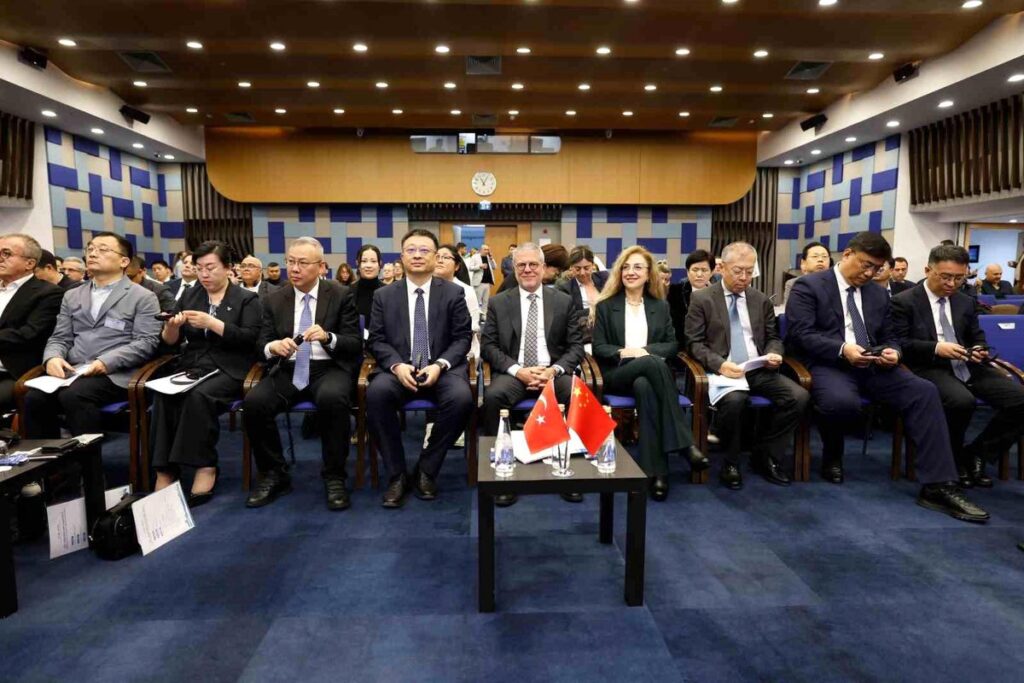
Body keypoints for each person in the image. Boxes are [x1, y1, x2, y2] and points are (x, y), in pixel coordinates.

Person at [784, 231, 988, 523]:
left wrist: (894, 352)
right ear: (847, 254)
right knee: (841, 402)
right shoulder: (810, 286)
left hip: (874, 363)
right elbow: (801, 334)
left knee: (924, 391)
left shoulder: (878, 293)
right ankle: (832, 453)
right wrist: (843, 349)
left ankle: (938, 484)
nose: (869, 273)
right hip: (830, 362)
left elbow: (891, 336)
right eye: (865, 265)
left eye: (877, 268)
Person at [242, 237, 361, 510]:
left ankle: (334, 476)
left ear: (321, 266)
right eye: (291, 262)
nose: (294, 269)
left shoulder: (340, 294)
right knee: (255, 403)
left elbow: (355, 344)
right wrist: (273, 347)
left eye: (303, 263)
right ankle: (274, 473)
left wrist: (329, 337)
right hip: (289, 368)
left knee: (333, 399)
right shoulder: (274, 299)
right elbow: (260, 345)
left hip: (328, 367)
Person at [891, 244, 1024, 489]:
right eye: (945, 277)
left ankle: (977, 454)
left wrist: (979, 348)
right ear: (928, 270)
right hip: (928, 366)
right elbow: (899, 343)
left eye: (959, 278)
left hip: (967, 364)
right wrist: (935, 348)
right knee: (961, 401)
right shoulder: (903, 301)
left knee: (1020, 400)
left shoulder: (965, 301)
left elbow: (977, 336)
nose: (952, 284)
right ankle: (951, 462)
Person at [685, 242, 808, 489]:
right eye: (738, 271)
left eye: (749, 272)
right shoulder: (702, 299)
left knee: (799, 396)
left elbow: (773, 337)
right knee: (735, 401)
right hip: (723, 371)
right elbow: (693, 343)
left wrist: (774, 353)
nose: (744, 277)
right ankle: (730, 462)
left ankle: (765, 455)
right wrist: (721, 364)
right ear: (721, 268)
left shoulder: (760, 300)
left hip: (757, 369)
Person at [366, 229, 474, 508]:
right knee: (376, 394)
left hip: (441, 369)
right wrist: (396, 365)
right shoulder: (383, 295)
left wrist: (440, 365)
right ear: (401, 257)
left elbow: (462, 337)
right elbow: (376, 339)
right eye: (411, 250)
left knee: (462, 398)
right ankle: (397, 474)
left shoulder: (453, 293)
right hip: (399, 369)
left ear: (436, 257)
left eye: (424, 250)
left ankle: (427, 469)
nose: (417, 255)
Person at [592, 246, 708, 501]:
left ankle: (656, 473)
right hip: (617, 374)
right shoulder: (606, 306)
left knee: (646, 385)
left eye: (637, 267)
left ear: (648, 274)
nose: (630, 272)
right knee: (653, 364)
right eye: (626, 267)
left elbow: (672, 344)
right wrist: (624, 352)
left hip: (650, 377)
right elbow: (599, 347)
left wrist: (643, 352)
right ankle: (684, 443)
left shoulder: (660, 306)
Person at [151, 241, 262, 506]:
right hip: (195, 364)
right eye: (199, 268)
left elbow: (251, 340)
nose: (204, 274)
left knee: (198, 397)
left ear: (228, 268)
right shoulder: (191, 296)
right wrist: (172, 327)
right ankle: (165, 469)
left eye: (210, 268)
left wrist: (213, 324)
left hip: (231, 366)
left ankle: (205, 465)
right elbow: (171, 342)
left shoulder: (246, 299)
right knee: (163, 396)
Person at [24, 232, 161, 438]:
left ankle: (88, 459)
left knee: (74, 395)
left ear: (124, 261)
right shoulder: (72, 295)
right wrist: (52, 358)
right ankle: (50, 457)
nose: (93, 254)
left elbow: (146, 342)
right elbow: (60, 337)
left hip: (116, 373)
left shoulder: (143, 296)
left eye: (103, 250)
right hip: (75, 370)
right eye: (90, 249)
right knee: (35, 397)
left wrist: (106, 362)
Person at [481, 243, 585, 507]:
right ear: (514, 269)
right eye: (521, 265)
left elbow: (576, 347)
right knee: (493, 397)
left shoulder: (562, 301)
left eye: (533, 264)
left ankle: (570, 474)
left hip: (552, 371)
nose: (527, 269)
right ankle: (502, 473)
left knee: (576, 393)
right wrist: (519, 371)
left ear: (543, 268)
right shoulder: (498, 302)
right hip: (515, 373)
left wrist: (553, 370)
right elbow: (488, 347)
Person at [0, 234, 64, 414]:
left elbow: (29, 333)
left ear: (29, 263)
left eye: (6, 253)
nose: (0, 258)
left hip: (13, 371)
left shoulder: (48, 293)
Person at [435, 244, 480, 359]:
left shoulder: (466, 291)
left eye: (446, 257)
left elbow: (473, 327)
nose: (440, 260)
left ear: (457, 266)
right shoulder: (424, 289)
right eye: (437, 256)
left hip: (461, 351)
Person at [557, 246, 609, 344]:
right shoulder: (566, 289)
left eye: (586, 268)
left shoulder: (604, 279)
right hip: (583, 337)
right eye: (577, 269)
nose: (582, 273)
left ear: (593, 265)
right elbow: (569, 316)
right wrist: (594, 310)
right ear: (571, 267)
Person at [667, 249, 713, 347]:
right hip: (680, 348)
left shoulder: (719, 296)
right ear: (687, 272)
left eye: (704, 270)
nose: (699, 274)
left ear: (711, 272)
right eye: (695, 270)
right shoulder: (674, 292)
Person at [782, 242, 830, 306]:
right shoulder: (793, 283)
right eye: (815, 256)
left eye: (824, 257)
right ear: (803, 262)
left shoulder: (835, 284)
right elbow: (790, 309)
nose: (820, 260)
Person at [354, 245, 385, 331]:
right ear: (357, 263)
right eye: (364, 261)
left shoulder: (390, 292)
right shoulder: (348, 292)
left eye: (373, 261)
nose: (369, 265)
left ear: (380, 264)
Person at [466, 244, 497, 316]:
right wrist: (480, 266)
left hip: (488, 283)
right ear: (481, 250)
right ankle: (475, 316)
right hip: (479, 283)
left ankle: (484, 316)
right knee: (477, 301)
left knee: (486, 301)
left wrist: (492, 259)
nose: (487, 251)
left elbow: (494, 267)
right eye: (485, 249)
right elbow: (470, 268)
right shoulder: (475, 257)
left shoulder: (489, 257)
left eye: (488, 250)